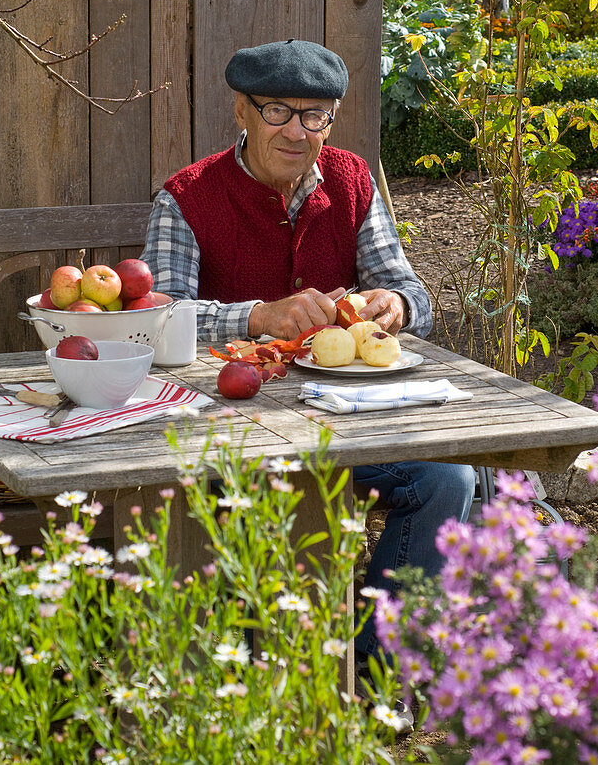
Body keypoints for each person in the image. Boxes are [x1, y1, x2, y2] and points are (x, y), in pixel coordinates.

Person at [141, 39, 475, 707]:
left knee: (449, 478)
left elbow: (415, 294)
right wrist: (257, 317)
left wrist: (396, 304)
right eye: (278, 111)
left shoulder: (350, 180)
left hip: (346, 429)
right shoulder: (186, 197)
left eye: (314, 115)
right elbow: (159, 321)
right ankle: (238, 690)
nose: (297, 130)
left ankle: (375, 677)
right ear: (242, 110)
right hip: (227, 440)